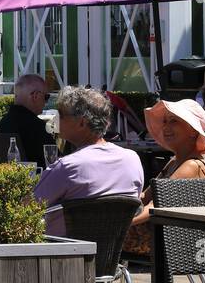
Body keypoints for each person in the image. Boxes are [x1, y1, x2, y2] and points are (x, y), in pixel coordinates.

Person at [34, 87, 145, 237]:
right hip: (111, 252)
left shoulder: (68, 167)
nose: (57, 119)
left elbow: (28, 208)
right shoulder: (132, 159)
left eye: (61, 115)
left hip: (62, 252)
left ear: (82, 123)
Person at [122, 98, 205, 258]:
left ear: (193, 130)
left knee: (98, 234)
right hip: (165, 233)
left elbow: (155, 205)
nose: (166, 127)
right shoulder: (175, 161)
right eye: (165, 121)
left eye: (174, 121)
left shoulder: (191, 165)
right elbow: (145, 196)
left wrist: (121, 223)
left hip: (182, 243)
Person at [0, 73, 56, 166]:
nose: (46, 102)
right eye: (46, 97)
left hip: (9, 177)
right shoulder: (37, 127)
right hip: (38, 179)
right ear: (35, 96)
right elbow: (54, 160)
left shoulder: (3, 123)